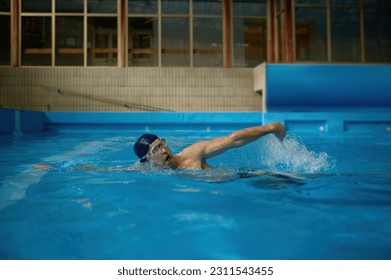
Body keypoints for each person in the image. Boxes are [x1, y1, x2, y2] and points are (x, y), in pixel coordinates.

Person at [134, 122, 286, 170]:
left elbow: (233, 139)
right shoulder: (149, 171)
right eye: (156, 150)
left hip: (244, 178)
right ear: (149, 160)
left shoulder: (191, 154)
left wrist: (270, 128)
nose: (163, 150)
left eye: (162, 144)